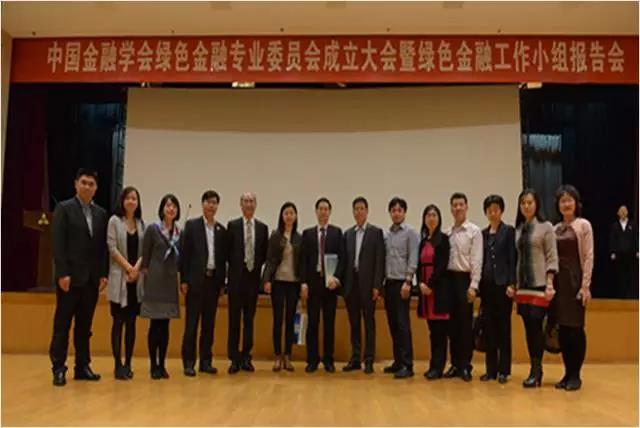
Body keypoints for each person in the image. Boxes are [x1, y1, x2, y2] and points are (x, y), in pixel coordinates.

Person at [49, 168, 109, 386]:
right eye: (83, 182)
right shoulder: (64, 208)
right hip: (70, 279)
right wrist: (62, 273)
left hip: (91, 280)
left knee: (85, 327)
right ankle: (58, 367)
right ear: (76, 184)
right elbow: (58, 244)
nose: (87, 187)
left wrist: (103, 274)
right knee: (63, 325)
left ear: (96, 188)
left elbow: (102, 248)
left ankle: (82, 366)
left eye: (91, 184)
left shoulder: (101, 214)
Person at [512, 188, 558, 388]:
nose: (526, 206)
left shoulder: (546, 227)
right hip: (522, 288)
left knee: (537, 328)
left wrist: (550, 282)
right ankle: (534, 368)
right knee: (529, 329)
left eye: (530, 202)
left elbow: (551, 256)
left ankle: (537, 371)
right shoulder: (518, 229)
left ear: (536, 204)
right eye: (523, 203)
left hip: (539, 285)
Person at [180, 190, 228, 376]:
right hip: (195, 282)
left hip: (213, 282)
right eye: (208, 202)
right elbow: (185, 255)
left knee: (209, 325)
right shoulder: (192, 226)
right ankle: (188, 363)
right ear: (203, 204)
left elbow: (222, 259)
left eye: (214, 202)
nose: (211, 206)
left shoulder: (221, 230)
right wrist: (184, 280)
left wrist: (222, 284)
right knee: (191, 324)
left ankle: (206, 362)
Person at [335, 196, 385, 374]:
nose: (359, 211)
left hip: (368, 286)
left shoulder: (376, 232)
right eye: (356, 209)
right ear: (353, 212)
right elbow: (343, 261)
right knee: (354, 324)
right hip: (351, 285)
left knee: (369, 324)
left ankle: (369, 360)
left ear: (367, 211)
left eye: (362, 208)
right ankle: (355, 358)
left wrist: (377, 286)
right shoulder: (348, 234)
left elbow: (380, 261)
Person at [553, 185, 593, 391]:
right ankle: (567, 372)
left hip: (575, 282)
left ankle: (576, 374)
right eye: (562, 201)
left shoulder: (583, 225)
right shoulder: (554, 228)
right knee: (563, 330)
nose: (566, 204)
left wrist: (585, 286)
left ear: (576, 203)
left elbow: (588, 256)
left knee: (576, 329)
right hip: (558, 284)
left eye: (570, 200)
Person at [140, 194, 182, 380]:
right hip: (155, 280)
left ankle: (162, 364)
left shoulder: (179, 232)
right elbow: (145, 256)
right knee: (154, 324)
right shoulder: (153, 229)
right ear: (162, 209)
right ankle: (153, 365)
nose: (171, 209)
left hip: (170, 282)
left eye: (174, 206)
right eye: (168, 205)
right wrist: (146, 276)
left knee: (165, 326)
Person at [226, 192, 269, 374]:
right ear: (241, 204)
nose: (249, 204)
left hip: (253, 281)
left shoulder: (262, 228)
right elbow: (227, 253)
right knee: (234, 321)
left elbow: (264, 255)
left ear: (255, 204)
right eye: (246, 201)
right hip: (236, 280)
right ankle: (234, 359)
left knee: (249, 321)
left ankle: (246, 357)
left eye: (252, 201)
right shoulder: (233, 226)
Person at [300, 197, 343, 373]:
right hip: (313, 283)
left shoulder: (336, 233)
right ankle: (312, 359)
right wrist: (303, 283)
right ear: (316, 212)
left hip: (330, 284)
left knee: (329, 323)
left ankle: (328, 359)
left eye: (326, 209)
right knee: (313, 323)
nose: (323, 212)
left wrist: (337, 279)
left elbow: (342, 259)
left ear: (330, 212)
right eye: (320, 209)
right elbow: (303, 261)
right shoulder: (308, 234)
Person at [443, 192, 483, 382]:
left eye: (461, 204)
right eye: (455, 205)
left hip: (465, 280)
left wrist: (474, 285)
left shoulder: (474, 231)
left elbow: (477, 260)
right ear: (451, 209)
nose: (458, 208)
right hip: (449, 280)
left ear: (466, 207)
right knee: (452, 326)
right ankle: (455, 364)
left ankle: (466, 365)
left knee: (465, 325)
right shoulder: (447, 233)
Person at [106, 186, 144, 380]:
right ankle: (117, 365)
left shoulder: (141, 223)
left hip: (135, 281)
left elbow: (144, 251)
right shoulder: (114, 221)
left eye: (134, 198)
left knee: (131, 324)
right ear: (122, 201)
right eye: (128, 198)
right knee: (118, 323)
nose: (131, 201)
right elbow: (112, 248)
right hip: (119, 278)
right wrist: (128, 268)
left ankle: (128, 363)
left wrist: (136, 269)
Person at [479, 194, 516, 384]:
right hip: (487, 288)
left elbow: (512, 259)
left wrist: (512, 283)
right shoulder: (483, 234)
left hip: (503, 287)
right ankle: (491, 370)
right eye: (489, 210)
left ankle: (504, 370)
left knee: (503, 329)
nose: (493, 213)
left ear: (501, 211)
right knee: (489, 329)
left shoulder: (508, 231)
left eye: (496, 209)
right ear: (485, 212)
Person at [263, 202, 303, 372]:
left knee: (290, 320)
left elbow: (302, 264)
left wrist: (303, 283)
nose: (289, 216)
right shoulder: (275, 236)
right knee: (278, 319)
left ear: (295, 216)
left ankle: (288, 355)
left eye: (291, 213)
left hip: (293, 283)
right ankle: (278, 356)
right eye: (286, 213)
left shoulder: (299, 238)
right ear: (282, 216)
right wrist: (267, 280)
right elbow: (270, 260)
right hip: (278, 282)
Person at [382, 197, 419, 379]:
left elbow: (413, 257)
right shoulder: (387, 234)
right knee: (393, 324)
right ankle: (398, 361)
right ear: (390, 213)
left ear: (404, 212)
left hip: (402, 283)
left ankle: (407, 364)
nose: (396, 213)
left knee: (403, 324)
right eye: (393, 210)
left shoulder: (410, 233)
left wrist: (408, 281)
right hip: (388, 283)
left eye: (399, 210)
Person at [416, 204, 451, 380]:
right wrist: (420, 284)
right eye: (428, 215)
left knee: (440, 332)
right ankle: (433, 365)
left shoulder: (443, 239)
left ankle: (438, 367)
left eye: (434, 215)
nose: (431, 218)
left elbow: (442, 266)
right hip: (425, 291)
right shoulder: (423, 241)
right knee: (432, 331)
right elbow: (419, 265)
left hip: (438, 290)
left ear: (439, 219)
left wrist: (430, 285)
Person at [609, 205, 638, 299]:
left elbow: (636, 238)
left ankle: (629, 295)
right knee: (620, 275)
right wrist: (612, 252)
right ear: (618, 213)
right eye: (621, 211)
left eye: (624, 211)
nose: (623, 213)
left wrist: (638, 250)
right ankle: (620, 295)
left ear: (627, 212)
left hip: (630, 254)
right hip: (619, 255)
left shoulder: (632, 225)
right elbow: (612, 239)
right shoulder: (615, 225)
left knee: (630, 275)